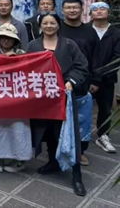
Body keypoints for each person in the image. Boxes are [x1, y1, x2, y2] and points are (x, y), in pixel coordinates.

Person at [27, 12, 89, 196]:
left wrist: (71, 82)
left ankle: (76, 175)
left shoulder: (69, 44)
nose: (49, 26)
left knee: (70, 133)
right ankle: (53, 161)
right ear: (40, 26)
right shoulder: (33, 45)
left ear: (58, 25)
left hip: (64, 97)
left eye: (52, 23)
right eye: (45, 23)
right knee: (48, 131)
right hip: (43, 98)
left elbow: (82, 66)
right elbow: (25, 67)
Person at [0, 24, 31, 173]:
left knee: (18, 129)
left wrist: (16, 60)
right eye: (3, 37)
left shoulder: (23, 54)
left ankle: (18, 159)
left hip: (17, 99)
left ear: (15, 40)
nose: (6, 40)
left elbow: (29, 73)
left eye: (9, 38)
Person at [59, 0, 100, 165]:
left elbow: (96, 56)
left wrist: (95, 80)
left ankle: (80, 151)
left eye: (75, 7)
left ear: (82, 9)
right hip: (59, 82)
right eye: (68, 7)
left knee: (82, 119)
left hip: (83, 82)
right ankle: (57, 150)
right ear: (62, 10)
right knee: (59, 118)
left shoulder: (90, 31)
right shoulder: (56, 28)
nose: (72, 10)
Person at [90, 2, 119, 154]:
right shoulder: (86, 30)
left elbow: (117, 57)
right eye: (95, 9)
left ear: (108, 13)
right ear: (90, 14)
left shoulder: (116, 32)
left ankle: (103, 136)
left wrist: (99, 76)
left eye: (103, 9)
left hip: (107, 79)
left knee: (105, 109)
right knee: (81, 108)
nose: (99, 11)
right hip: (86, 78)